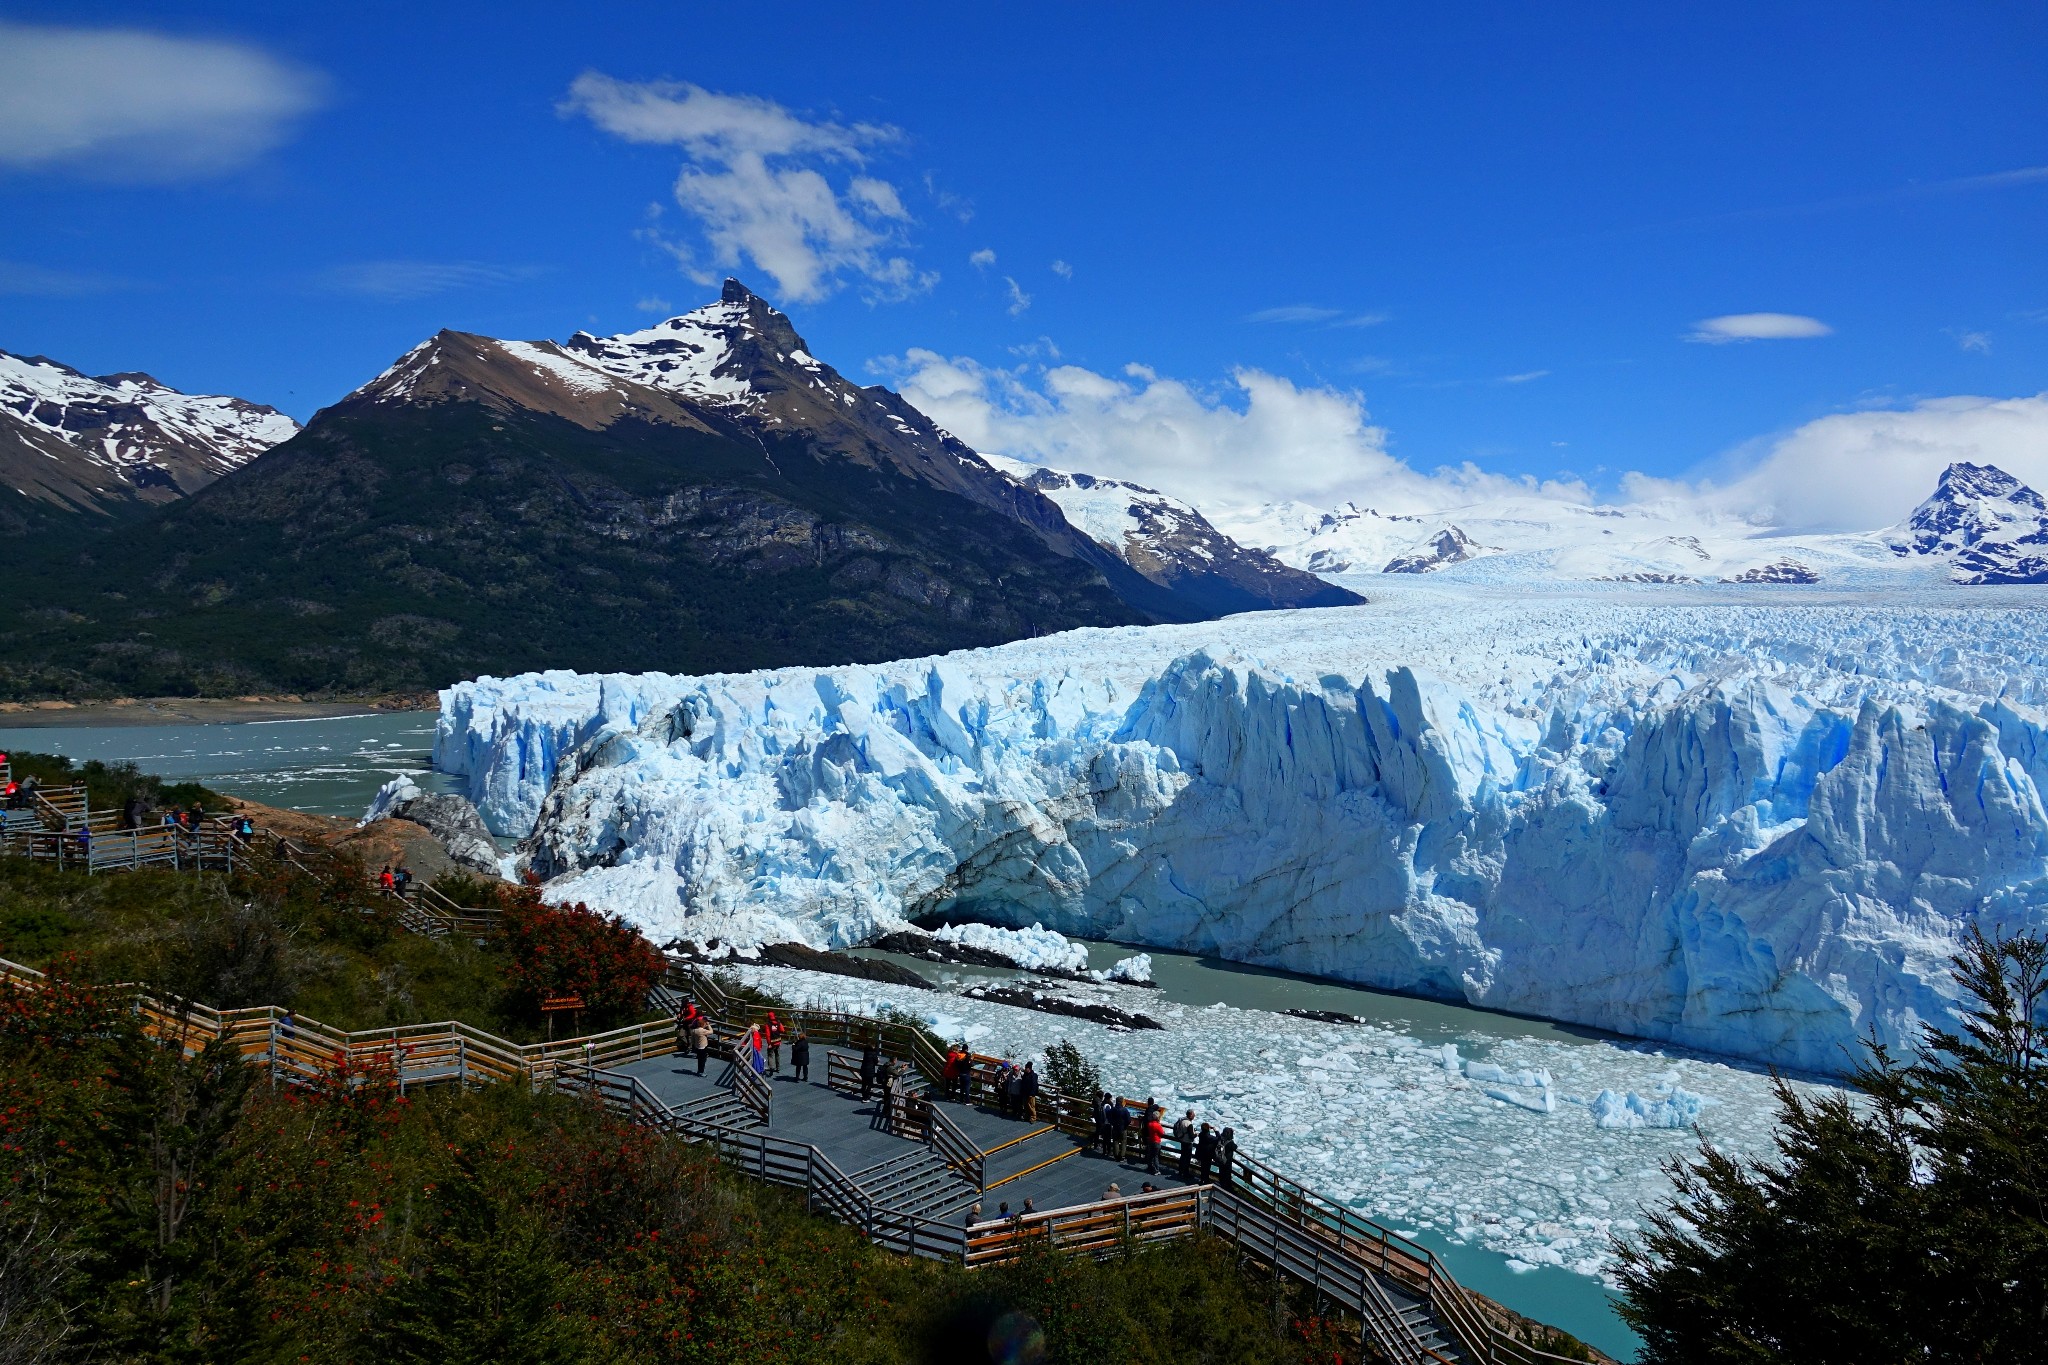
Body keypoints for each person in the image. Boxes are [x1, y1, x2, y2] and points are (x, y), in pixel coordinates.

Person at [1173, 1109, 1197, 1180]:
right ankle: (1186, 1173)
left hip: (1182, 1140)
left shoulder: (1182, 1121)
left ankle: (1180, 1171)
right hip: (1188, 1143)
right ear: (1190, 1115)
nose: (1194, 1116)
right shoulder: (1189, 1124)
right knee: (1187, 1158)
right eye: (1193, 1114)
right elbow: (1191, 1136)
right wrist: (1196, 1134)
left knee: (1182, 1157)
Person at [1107, 1095, 1132, 1162]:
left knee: (1115, 1141)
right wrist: (1125, 1125)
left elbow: (1109, 1117)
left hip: (1115, 1127)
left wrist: (1112, 1123)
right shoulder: (1125, 1110)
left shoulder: (1113, 1109)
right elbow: (1129, 1120)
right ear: (1122, 1102)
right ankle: (1122, 1156)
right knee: (1123, 1142)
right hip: (1123, 1128)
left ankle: (1116, 1156)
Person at [1142, 1106, 1165, 1175]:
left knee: (1150, 1155)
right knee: (1155, 1156)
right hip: (1156, 1141)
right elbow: (1162, 1133)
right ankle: (1156, 1170)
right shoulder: (1158, 1125)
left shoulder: (1150, 1124)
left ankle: (1150, 1167)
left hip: (1151, 1140)